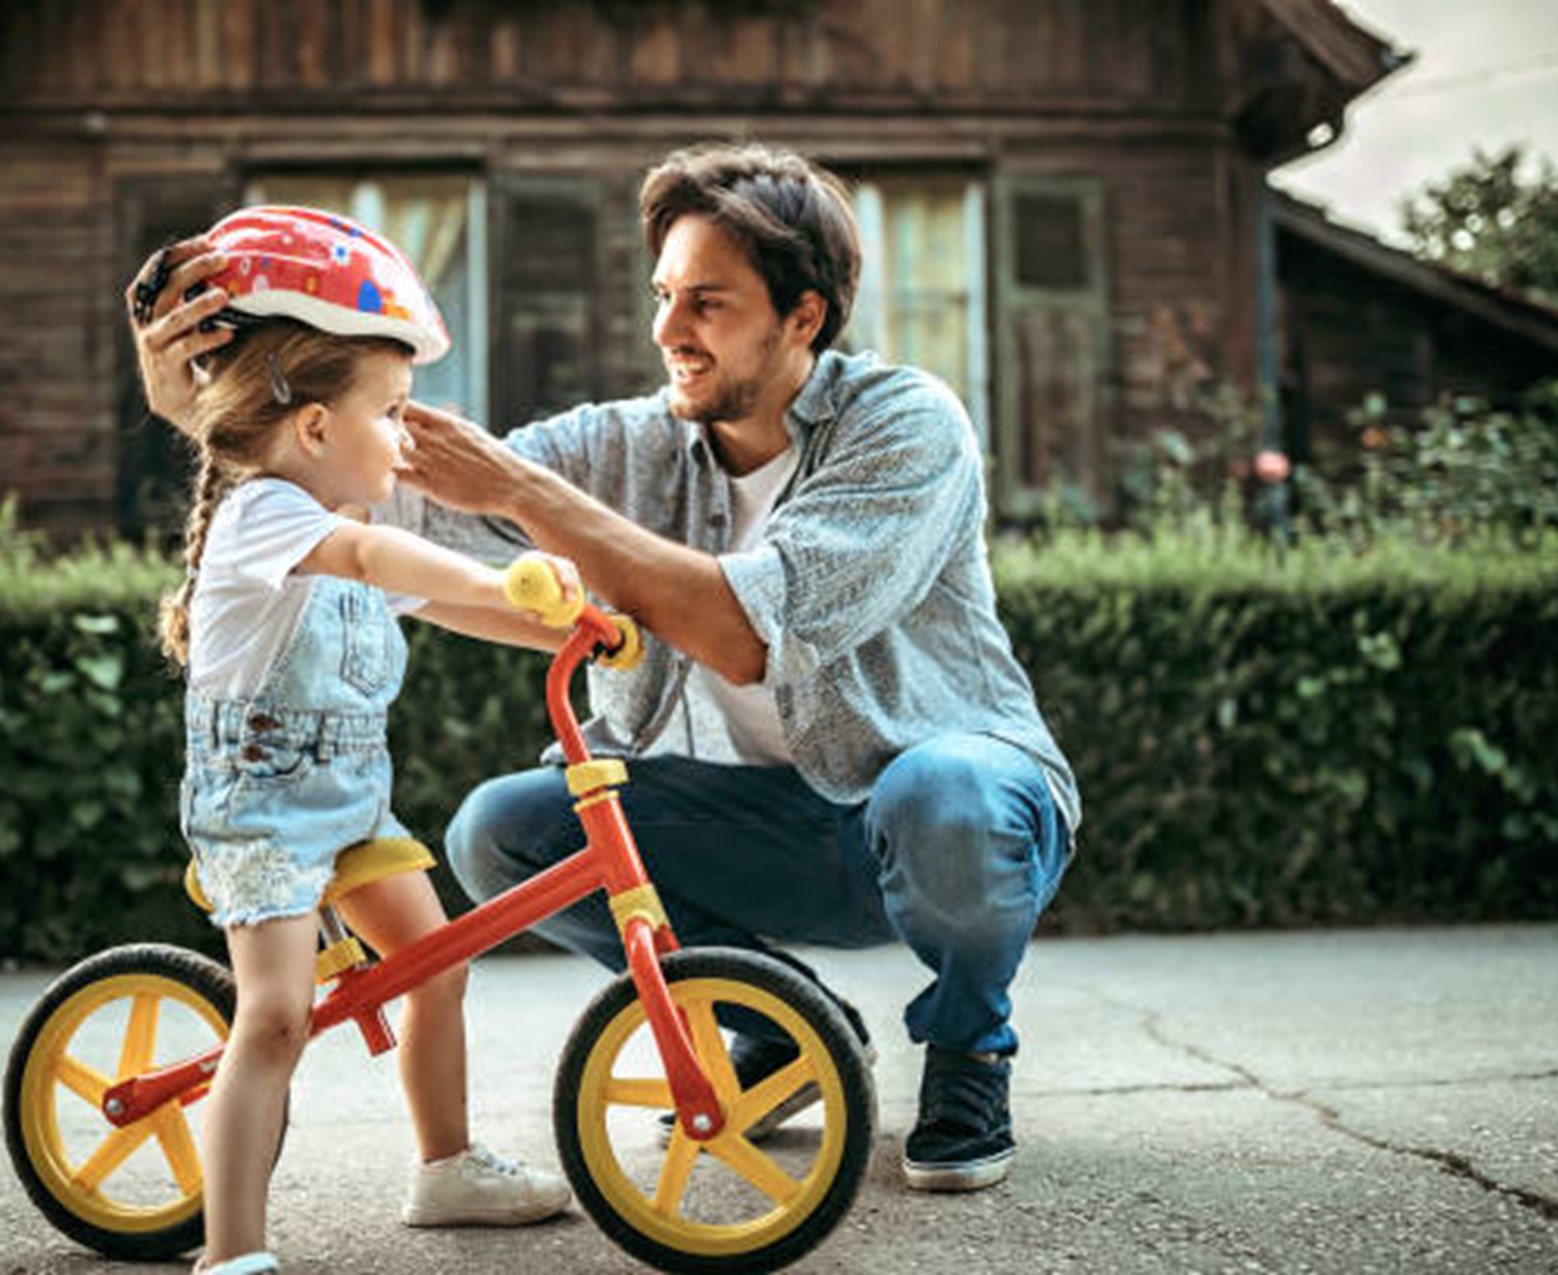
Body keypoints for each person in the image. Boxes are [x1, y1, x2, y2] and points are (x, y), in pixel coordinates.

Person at [130, 145, 1080, 1197]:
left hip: (921, 815)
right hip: (752, 821)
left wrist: (530, 497)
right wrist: (217, 418)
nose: (668, 331)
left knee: (945, 793)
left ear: (801, 317)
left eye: (707, 304)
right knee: (503, 831)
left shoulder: (905, 427)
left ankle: (968, 1047)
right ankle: (768, 1015)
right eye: (663, 296)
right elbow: (349, 492)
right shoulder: (619, 444)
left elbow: (741, 628)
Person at [137, 206, 575, 1275]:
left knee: (434, 967)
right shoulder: (266, 518)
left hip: (347, 813)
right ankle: (232, 1250)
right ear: (316, 428)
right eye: (390, 409)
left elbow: (446, 606)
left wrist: (570, 624)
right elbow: (386, 566)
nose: (408, 432)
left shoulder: (343, 523)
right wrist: (497, 572)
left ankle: (444, 1167)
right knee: (277, 1016)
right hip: (261, 822)